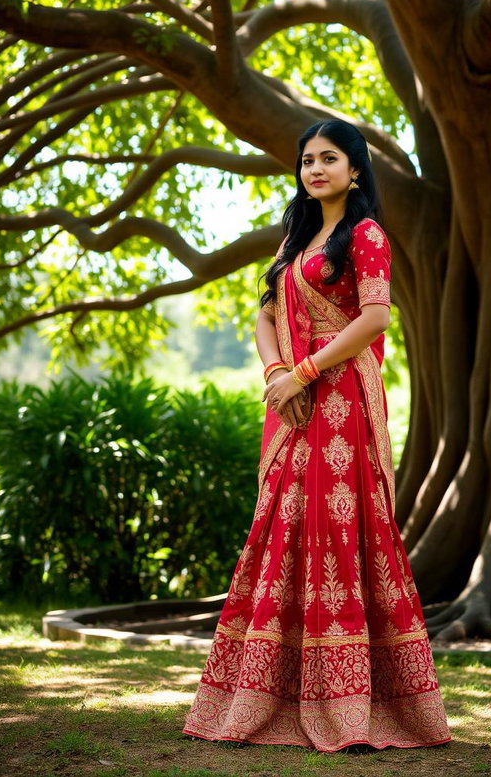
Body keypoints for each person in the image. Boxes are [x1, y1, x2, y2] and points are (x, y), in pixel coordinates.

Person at [183, 119, 450, 752]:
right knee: (285, 527)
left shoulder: (366, 234)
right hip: (293, 405)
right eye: (308, 160)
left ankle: (357, 704)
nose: (316, 169)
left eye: (330, 159)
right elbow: (266, 312)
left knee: (337, 531)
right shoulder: (298, 239)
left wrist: (305, 371)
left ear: (355, 170)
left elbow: (377, 316)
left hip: (341, 408)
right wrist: (277, 374)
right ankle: (267, 695)